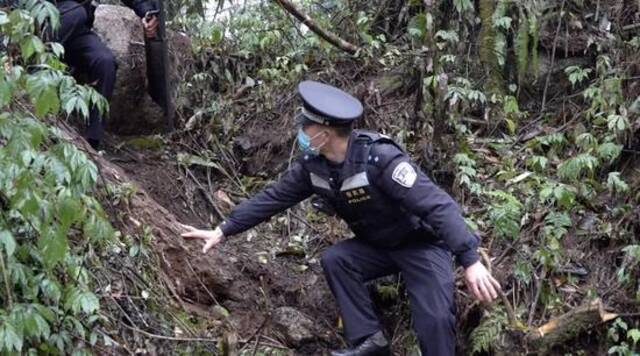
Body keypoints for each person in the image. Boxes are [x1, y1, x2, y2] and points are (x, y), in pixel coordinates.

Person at [180, 80, 501, 356]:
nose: (300, 132)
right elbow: (274, 198)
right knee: (337, 259)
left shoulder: (379, 159)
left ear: (324, 132)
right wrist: (224, 229)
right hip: (377, 247)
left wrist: (470, 259)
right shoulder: (313, 166)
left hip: (420, 246)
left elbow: (438, 206)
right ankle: (369, 340)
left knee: (433, 318)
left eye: (305, 126)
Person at [55, 0, 159, 149]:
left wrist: (147, 12)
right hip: (43, 26)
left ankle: (92, 141)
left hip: (76, 33)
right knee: (75, 12)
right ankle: (37, 65)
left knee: (104, 62)